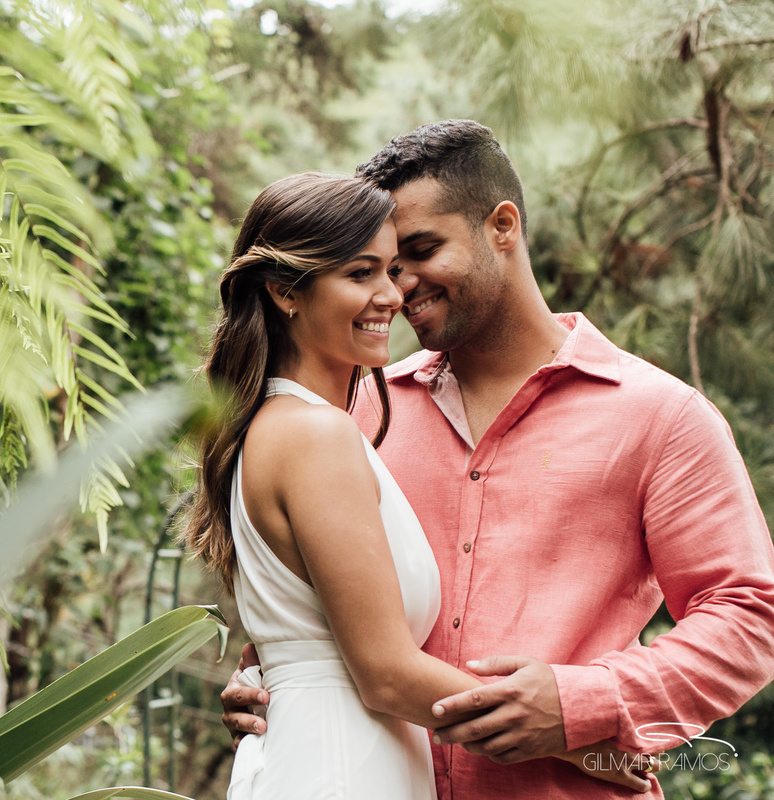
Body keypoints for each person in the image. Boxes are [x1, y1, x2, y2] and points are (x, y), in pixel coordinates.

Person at [219, 120, 774, 799]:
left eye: (420, 251)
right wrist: (274, 678)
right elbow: (323, 616)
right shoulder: (354, 418)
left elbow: (749, 615)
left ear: (503, 225)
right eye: (382, 267)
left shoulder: (661, 417)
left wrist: (579, 707)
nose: (399, 289)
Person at [185, 171, 651, 800]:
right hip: (341, 766)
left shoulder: (286, 425)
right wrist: (577, 743)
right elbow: (385, 674)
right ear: (284, 292)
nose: (391, 295)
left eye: (392, 270)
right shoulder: (316, 436)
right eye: (360, 274)